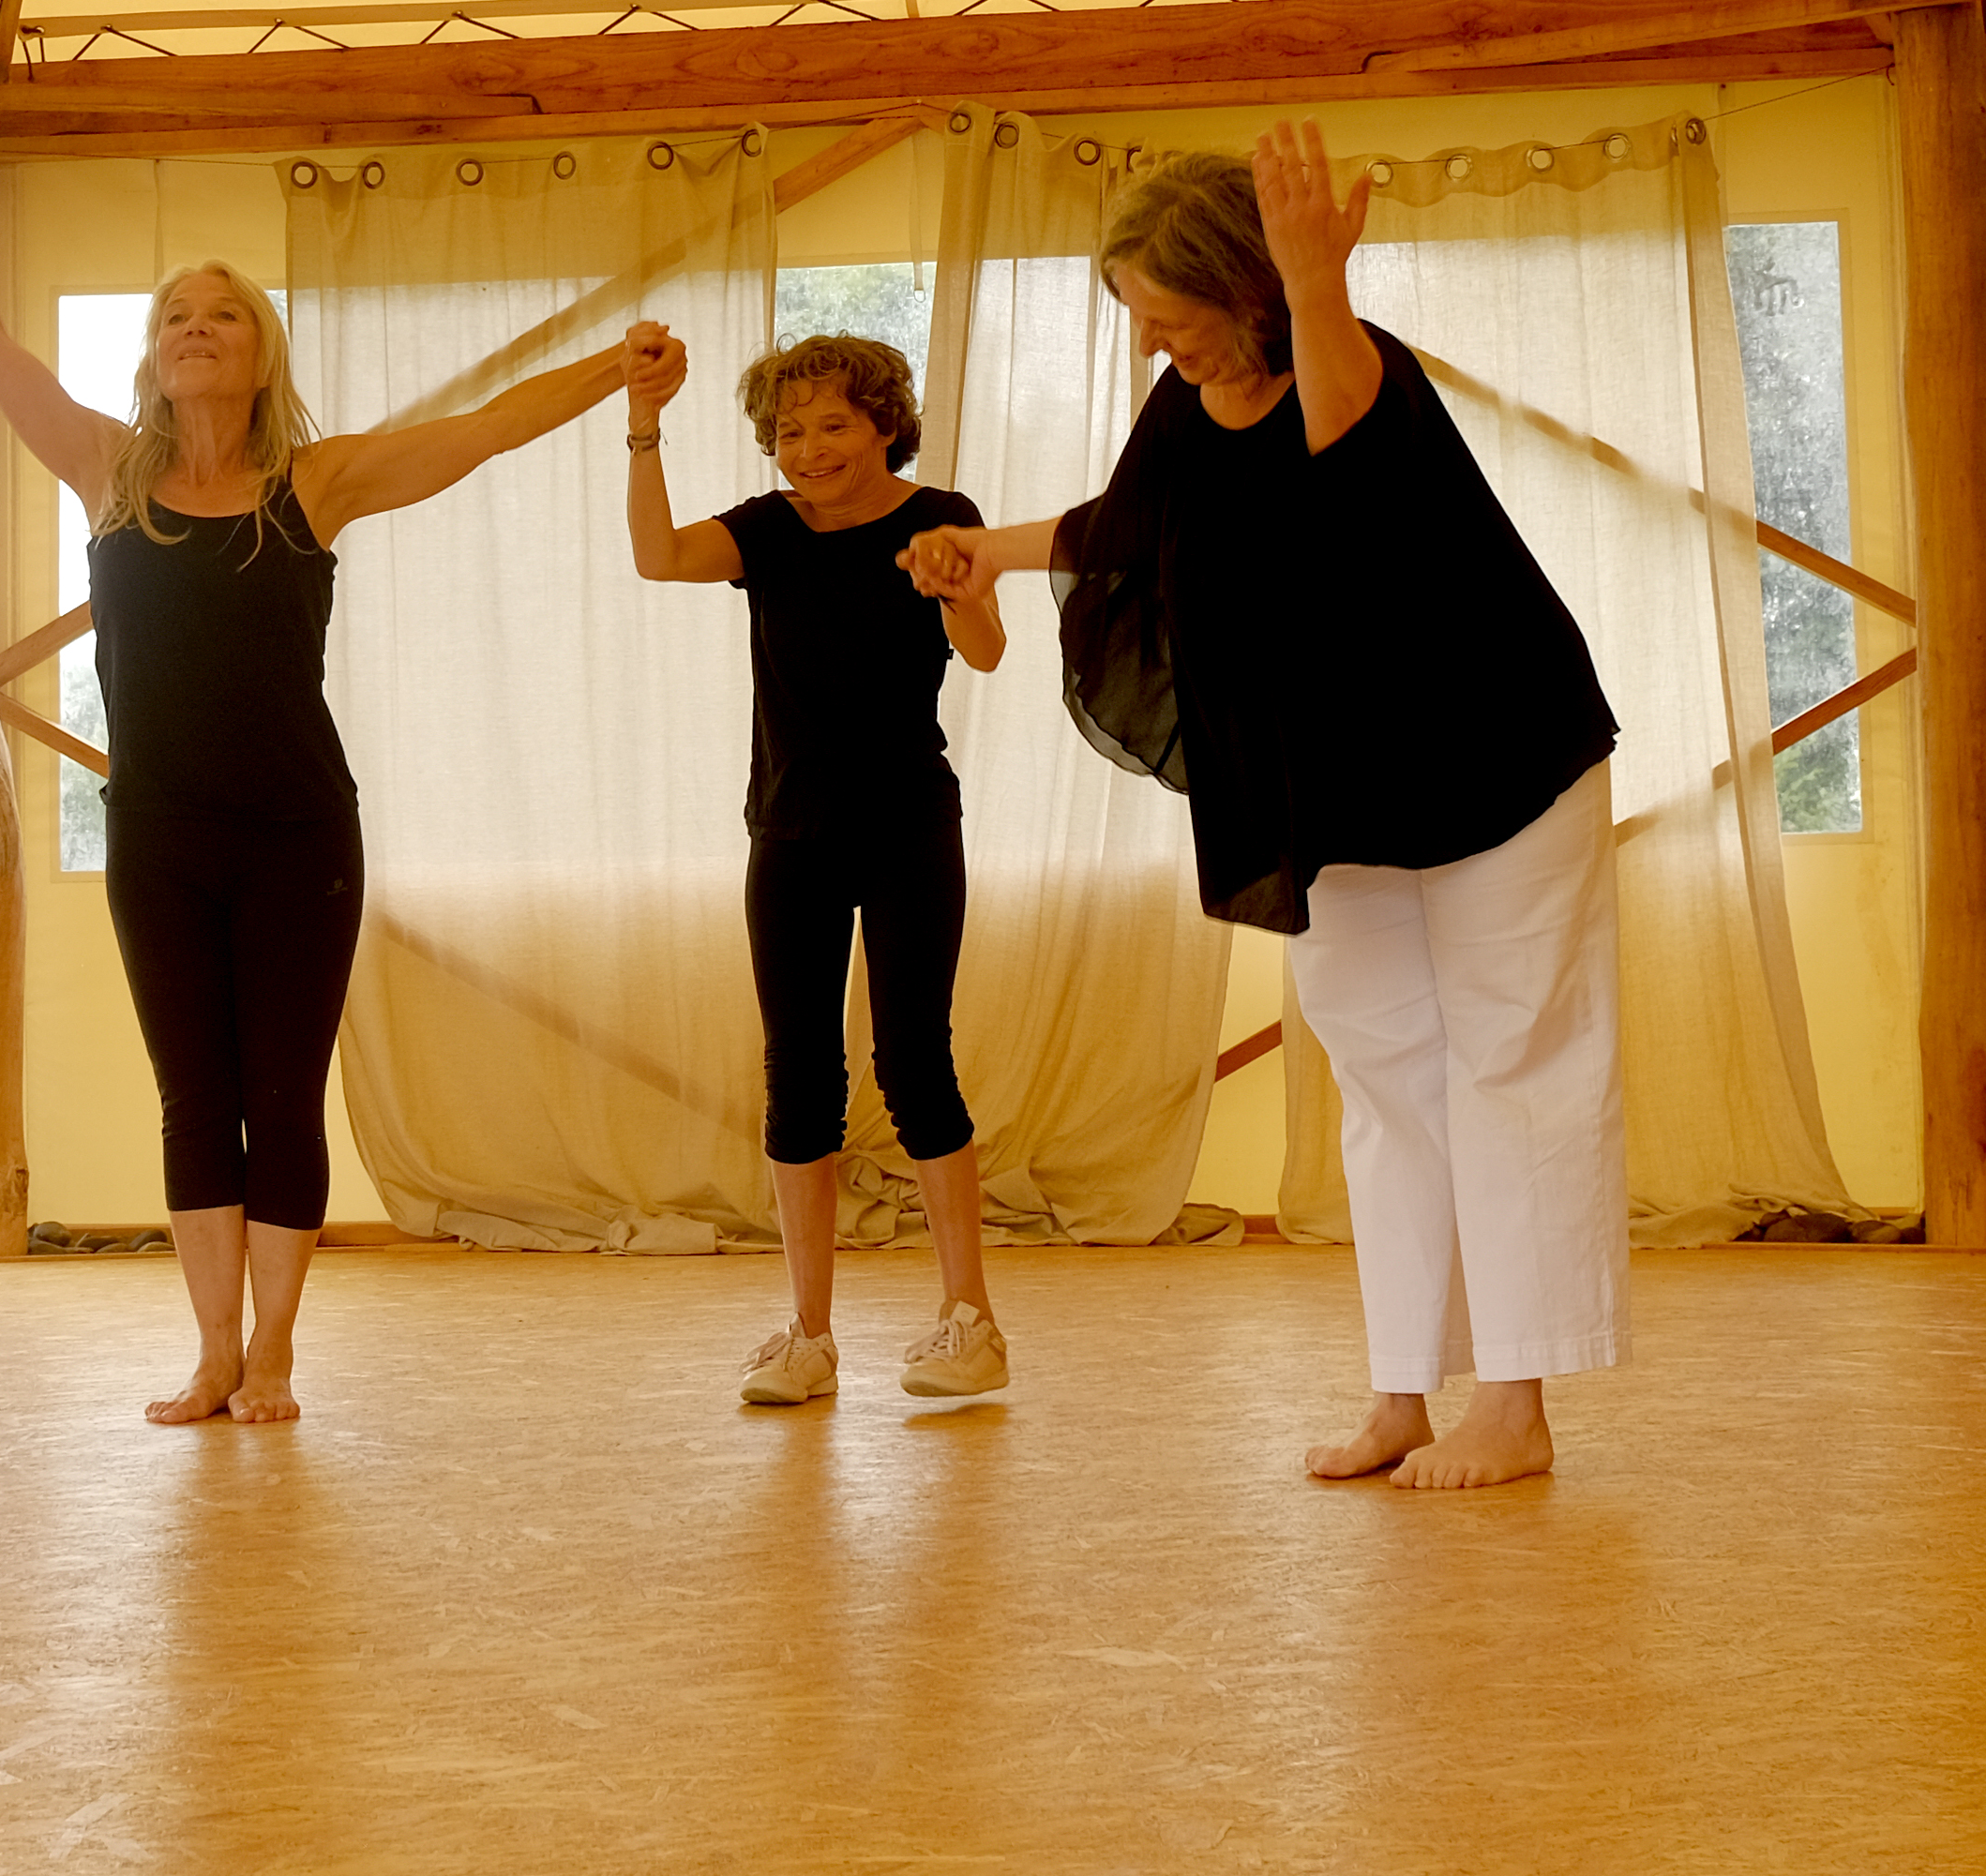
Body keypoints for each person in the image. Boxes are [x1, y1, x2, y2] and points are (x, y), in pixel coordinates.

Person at [0, 128, 649, 1427]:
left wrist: (615, 368)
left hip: (296, 834)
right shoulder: (108, 469)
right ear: (153, 354)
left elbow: (485, 432)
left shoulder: (313, 484)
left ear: (260, 348)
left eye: (224, 313)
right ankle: (211, 1350)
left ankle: (274, 1349)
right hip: (159, 834)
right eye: (178, 314)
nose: (199, 326)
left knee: (280, 1093)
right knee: (194, 1096)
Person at [901, 120, 1625, 1489]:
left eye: (1167, 317)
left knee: (1511, 1068)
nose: (1149, 347)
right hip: (1332, 785)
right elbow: (1124, 531)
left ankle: (1516, 1409)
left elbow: (1338, 433)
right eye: (1138, 321)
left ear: (1245, 290)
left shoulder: (1360, 376)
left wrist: (1314, 282)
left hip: (1498, 765)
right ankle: (1403, 1392)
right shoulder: (1186, 403)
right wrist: (975, 552)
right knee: (1384, 1083)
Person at [625, 330, 1011, 1402]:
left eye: (831, 424)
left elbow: (985, 649)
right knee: (798, 1077)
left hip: (908, 823)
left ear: (883, 422)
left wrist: (956, 588)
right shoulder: (766, 533)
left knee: (913, 1061)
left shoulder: (942, 515)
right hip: (788, 829)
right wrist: (644, 423)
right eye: (788, 430)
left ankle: (968, 1320)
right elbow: (656, 555)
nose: (807, 448)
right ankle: (807, 1333)